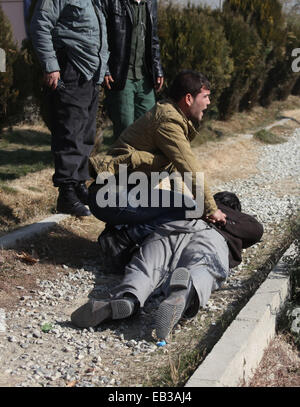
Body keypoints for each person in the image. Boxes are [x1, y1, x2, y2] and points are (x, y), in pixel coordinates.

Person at [71, 192, 264, 341]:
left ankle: (129, 297)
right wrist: (221, 219)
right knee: (204, 267)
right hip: (211, 239)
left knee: (145, 267)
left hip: (170, 230)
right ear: (236, 208)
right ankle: (184, 293)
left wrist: (207, 211)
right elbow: (256, 232)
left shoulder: (192, 201)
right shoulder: (243, 219)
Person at [88, 70, 227, 226]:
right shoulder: (168, 121)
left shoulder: (173, 115)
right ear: (188, 99)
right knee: (188, 209)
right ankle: (124, 238)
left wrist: (193, 199)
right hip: (110, 198)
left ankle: (123, 229)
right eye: (206, 97)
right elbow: (188, 166)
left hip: (119, 195)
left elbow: (175, 168)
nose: (209, 102)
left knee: (189, 206)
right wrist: (210, 209)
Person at [30, 0, 109, 217]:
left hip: (91, 73)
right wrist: (51, 65)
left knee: (85, 134)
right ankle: (66, 194)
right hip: (71, 68)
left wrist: (105, 68)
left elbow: (98, 35)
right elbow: (40, 24)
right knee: (70, 132)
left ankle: (78, 185)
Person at [102, 0, 164, 141]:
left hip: (145, 78)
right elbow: (102, 36)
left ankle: (139, 163)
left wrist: (157, 68)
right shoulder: (113, 2)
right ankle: (123, 164)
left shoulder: (150, 3)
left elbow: (153, 38)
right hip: (121, 76)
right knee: (125, 131)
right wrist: (105, 68)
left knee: (148, 127)